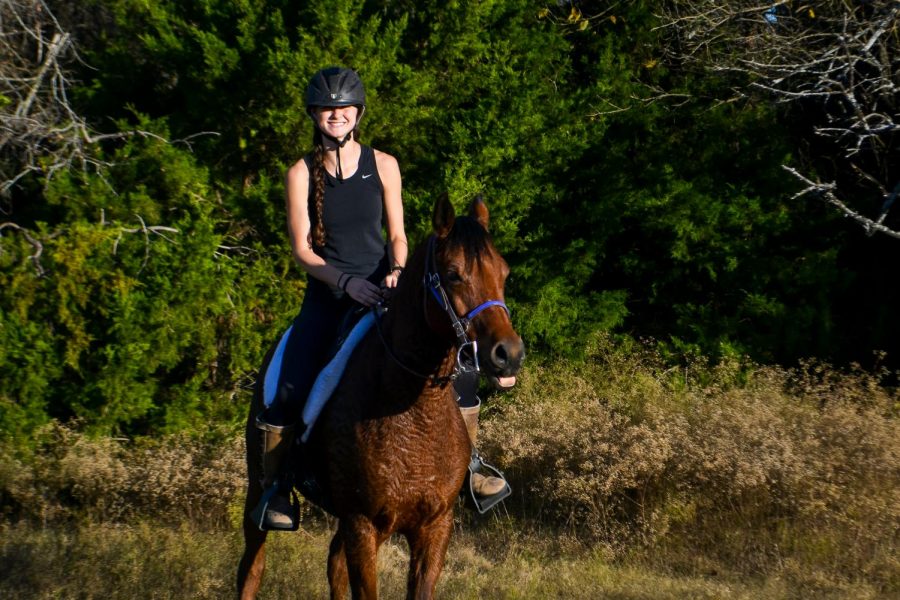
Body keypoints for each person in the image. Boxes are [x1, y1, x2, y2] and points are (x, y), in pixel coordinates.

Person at [253, 67, 505, 531]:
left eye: (344, 107)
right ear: (314, 114)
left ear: (358, 113)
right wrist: (346, 284)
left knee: (462, 373)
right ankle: (277, 489)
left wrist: (395, 269)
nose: (337, 114)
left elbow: (399, 234)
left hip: (385, 293)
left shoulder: (384, 164)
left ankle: (471, 470)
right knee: (288, 387)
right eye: (328, 108)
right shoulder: (300, 173)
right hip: (329, 300)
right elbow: (302, 251)